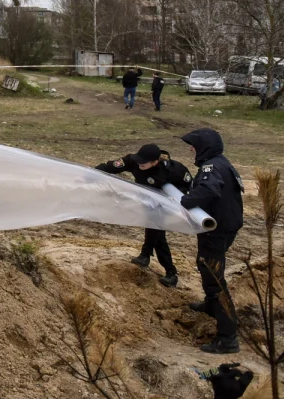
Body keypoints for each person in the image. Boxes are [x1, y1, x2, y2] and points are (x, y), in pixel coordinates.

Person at [180, 128, 244, 354]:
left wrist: (186, 201)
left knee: (214, 281)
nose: (191, 149)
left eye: (194, 146)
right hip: (222, 227)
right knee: (205, 266)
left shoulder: (212, 167)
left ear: (204, 148)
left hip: (217, 230)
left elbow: (208, 189)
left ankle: (228, 338)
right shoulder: (220, 162)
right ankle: (210, 306)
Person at [95, 143, 192, 287]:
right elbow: (109, 167)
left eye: (144, 162)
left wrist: (174, 199)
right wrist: (89, 173)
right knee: (152, 227)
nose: (139, 163)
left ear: (155, 162)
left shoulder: (172, 169)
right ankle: (145, 255)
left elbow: (188, 185)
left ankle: (170, 272)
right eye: (138, 159)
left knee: (157, 234)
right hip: (147, 201)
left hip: (164, 204)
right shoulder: (133, 161)